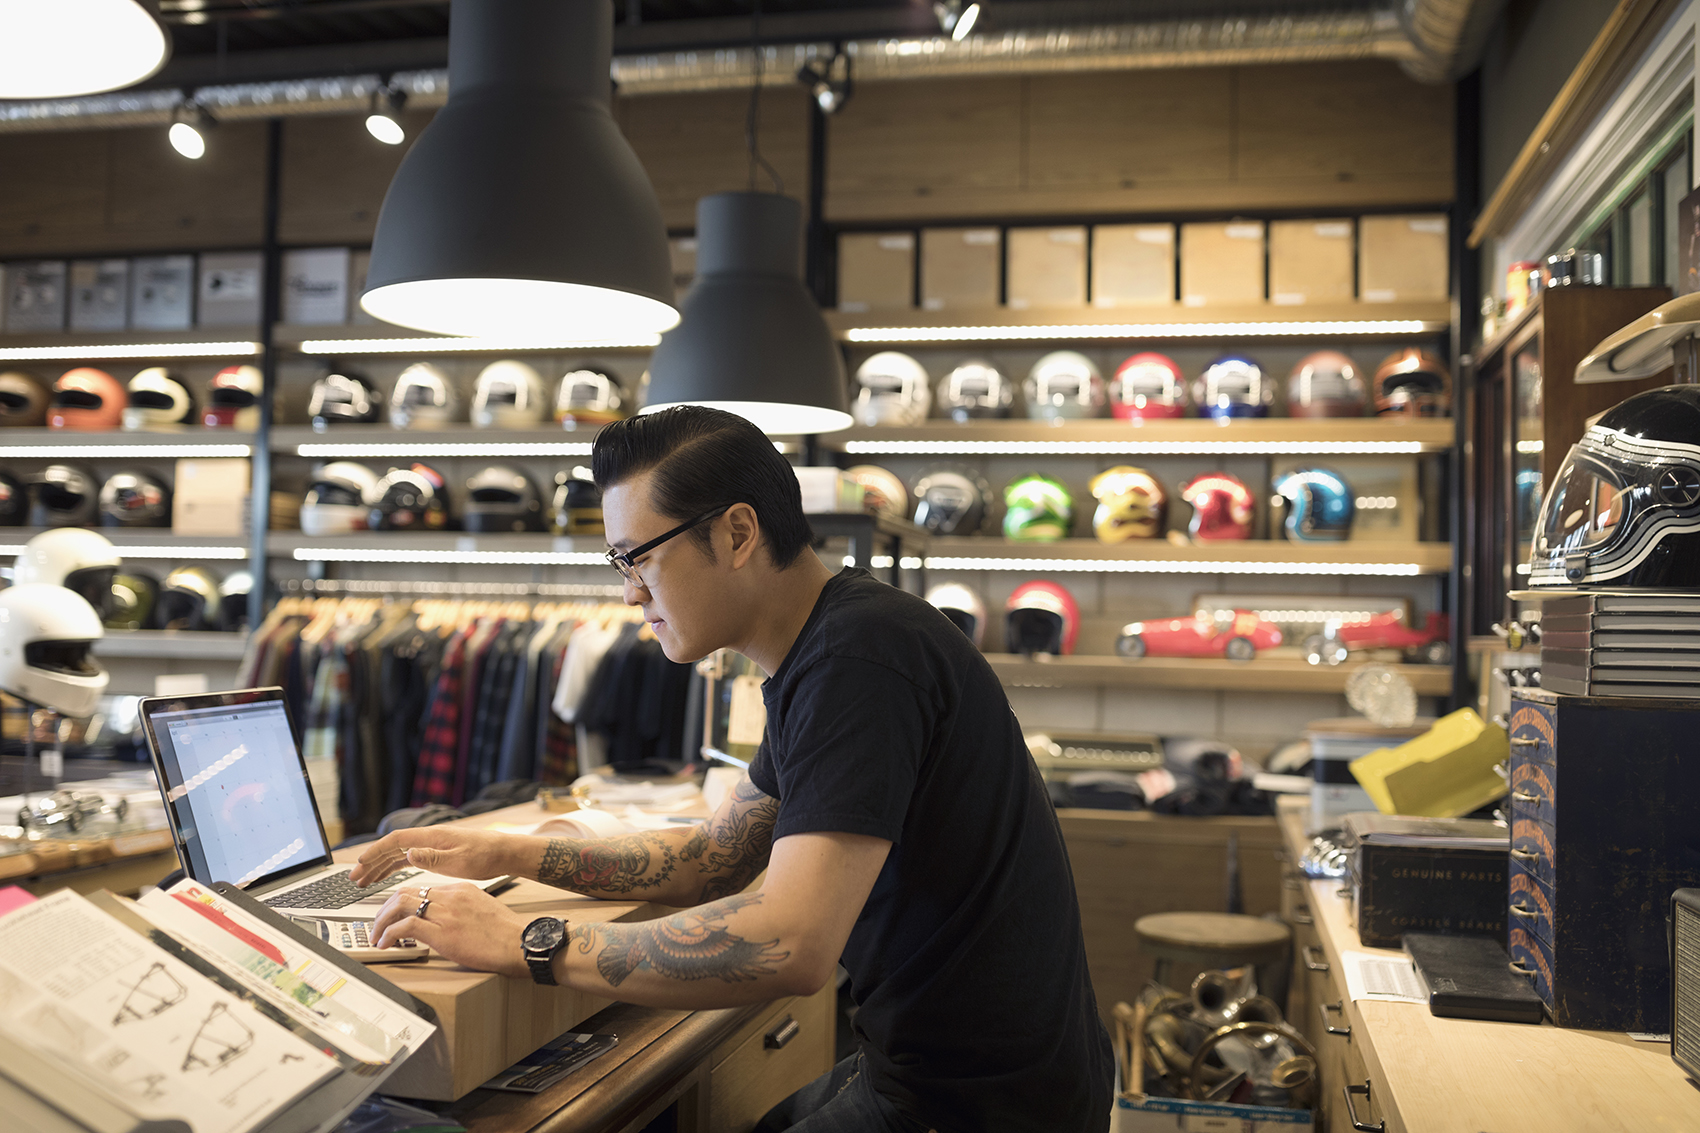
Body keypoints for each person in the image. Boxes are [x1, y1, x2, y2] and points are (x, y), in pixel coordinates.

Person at [352, 406, 1114, 1132]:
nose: (629, 590)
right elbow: (711, 857)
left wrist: (525, 940)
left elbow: (788, 941)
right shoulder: (829, 645)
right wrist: (501, 852)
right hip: (944, 1071)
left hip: (979, 1104)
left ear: (738, 531)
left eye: (639, 556)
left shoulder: (859, 658)